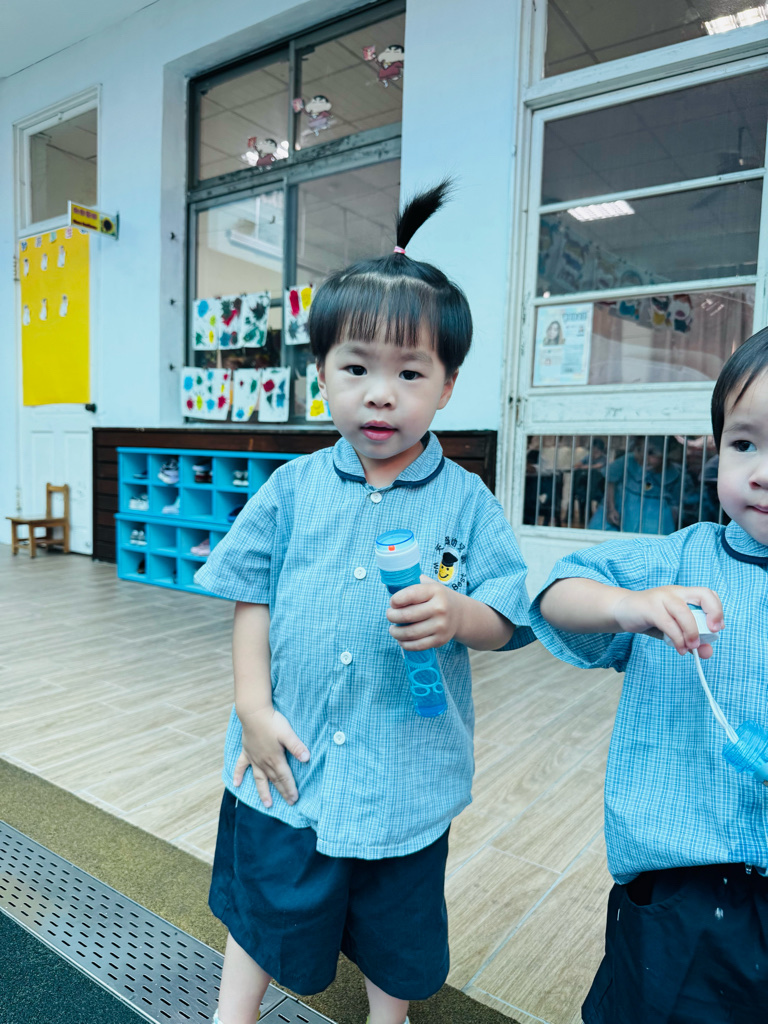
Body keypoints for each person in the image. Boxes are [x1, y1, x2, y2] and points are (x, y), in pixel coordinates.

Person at [194, 181, 534, 1024]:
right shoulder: (292, 487)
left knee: (398, 925)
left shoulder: (466, 502)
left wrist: (461, 617)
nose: (380, 393)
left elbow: (511, 614)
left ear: (447, 386)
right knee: (263, 902)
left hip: (405, 773)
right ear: (321, 375)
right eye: (356, 369)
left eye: (409, 373)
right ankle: (232, 1015)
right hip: (289, 756)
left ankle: (391, 1018)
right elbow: (251, 597)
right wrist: (253, 707)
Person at [530, 326, 768, 1024]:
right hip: (675, 893)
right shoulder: (678, 561)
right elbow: (558, 593)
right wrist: (627, 607)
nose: (761, 471)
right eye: (744, 443)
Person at [588, 435, 681, 534]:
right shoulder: (628, 461)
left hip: (653, 515)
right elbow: (610, 481)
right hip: (622, 508)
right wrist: (611, 509)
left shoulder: (673, 473)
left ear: (666, 455)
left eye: (651, 453)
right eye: (639, 450)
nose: (643, 457)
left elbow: (674, 504)